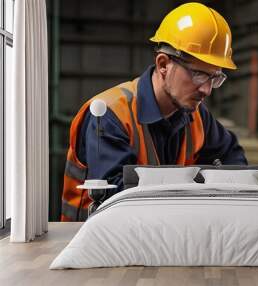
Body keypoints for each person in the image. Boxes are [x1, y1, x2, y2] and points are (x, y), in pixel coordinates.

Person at [61, 2, 248, 221]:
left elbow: (234, 161)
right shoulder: (110, 115)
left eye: (215, 78)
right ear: (162, 64)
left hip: (157, 239)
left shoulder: (197, 116)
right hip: (91, 244)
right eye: (198, 74)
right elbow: (119, 200)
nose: (206, 89)